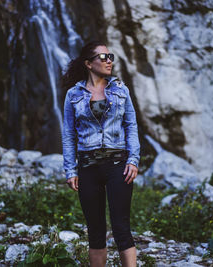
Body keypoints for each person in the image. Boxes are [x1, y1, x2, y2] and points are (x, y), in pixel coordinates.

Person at [61, 41, 140, 267]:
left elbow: (131, 126)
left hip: (118, 165)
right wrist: (70, 169)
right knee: (95, 231)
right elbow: (68, 135)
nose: (109, 61)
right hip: (88, 168)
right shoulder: (73, 95)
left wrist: (133, 160)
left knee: (121, 227)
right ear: (88, 64)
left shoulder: (120, 90)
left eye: (110, 57)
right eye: (104, 57)